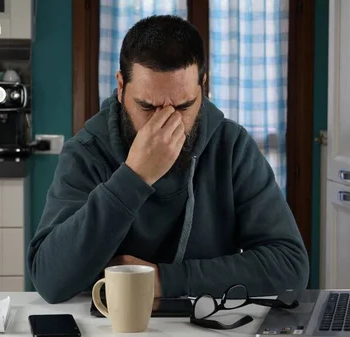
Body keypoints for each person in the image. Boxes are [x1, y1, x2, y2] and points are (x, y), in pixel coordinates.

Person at [27, 14, 309, 304]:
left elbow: (290, 267)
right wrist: (134, 176)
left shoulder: (232, 146)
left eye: (185, 106)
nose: (168, 123)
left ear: (203, 85)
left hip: (207, 323)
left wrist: (162, 280)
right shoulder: (87, 151)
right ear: (121, 86)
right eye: (147, 107)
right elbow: (49, 280)